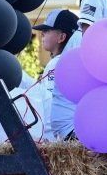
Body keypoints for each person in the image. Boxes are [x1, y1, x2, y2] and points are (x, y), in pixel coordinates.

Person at [28, 8, 79, 141]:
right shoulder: (70, 61)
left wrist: (50, 139)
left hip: (60, 139)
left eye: (47, 30)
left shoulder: (57, 64)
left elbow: (50, 103)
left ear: (62, 37)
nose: (42, 34)